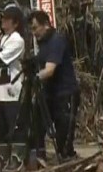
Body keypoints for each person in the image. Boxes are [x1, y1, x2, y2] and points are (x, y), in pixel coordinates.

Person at [29, 10, 79, 161]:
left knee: (63, 136)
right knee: (37, 125)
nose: (34, 33)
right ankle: (39, 157)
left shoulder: (57, 40)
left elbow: (50, 70)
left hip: (65, 94)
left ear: (46, 25)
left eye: (35, 28)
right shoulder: (43, 44)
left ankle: (66, 159)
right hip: (49, 93)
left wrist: (36, 77)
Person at [0, 3, 26, 171]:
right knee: (1, 125)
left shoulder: (17, 40)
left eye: (7, 19)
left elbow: (0, 58)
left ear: (15, 23)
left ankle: (17, 157)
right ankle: (2, 156)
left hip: (12, 89)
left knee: (15, 124)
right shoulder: (2, 37)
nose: (3, 22)